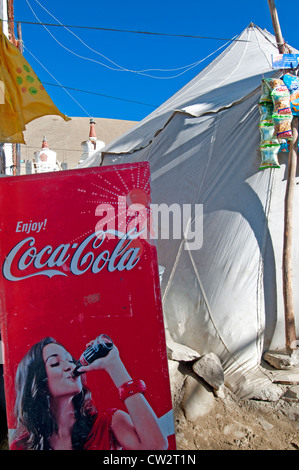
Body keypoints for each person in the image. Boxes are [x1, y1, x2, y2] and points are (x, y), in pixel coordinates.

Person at [10, 336, 168, 450]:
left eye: (70, 360)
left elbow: (156, 448)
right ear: (39, 384)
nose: (69, 366)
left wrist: (114, 365)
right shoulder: (21, 446)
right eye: (55, 363)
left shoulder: (108, 424)